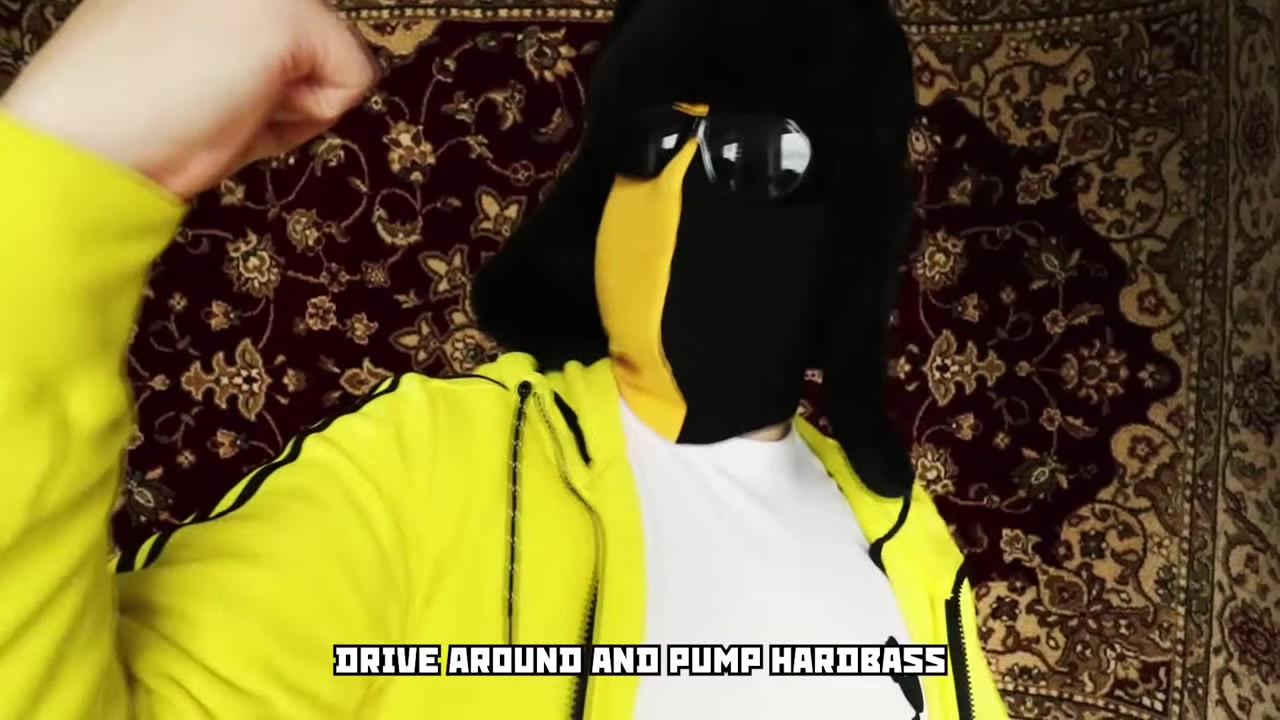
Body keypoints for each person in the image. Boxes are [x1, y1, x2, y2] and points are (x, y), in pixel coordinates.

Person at [0, 0, 1007, 718]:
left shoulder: (895, 526)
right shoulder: (433, 465)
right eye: (649, 148)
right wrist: (67, 169)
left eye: (753, 159)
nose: (683, 195)